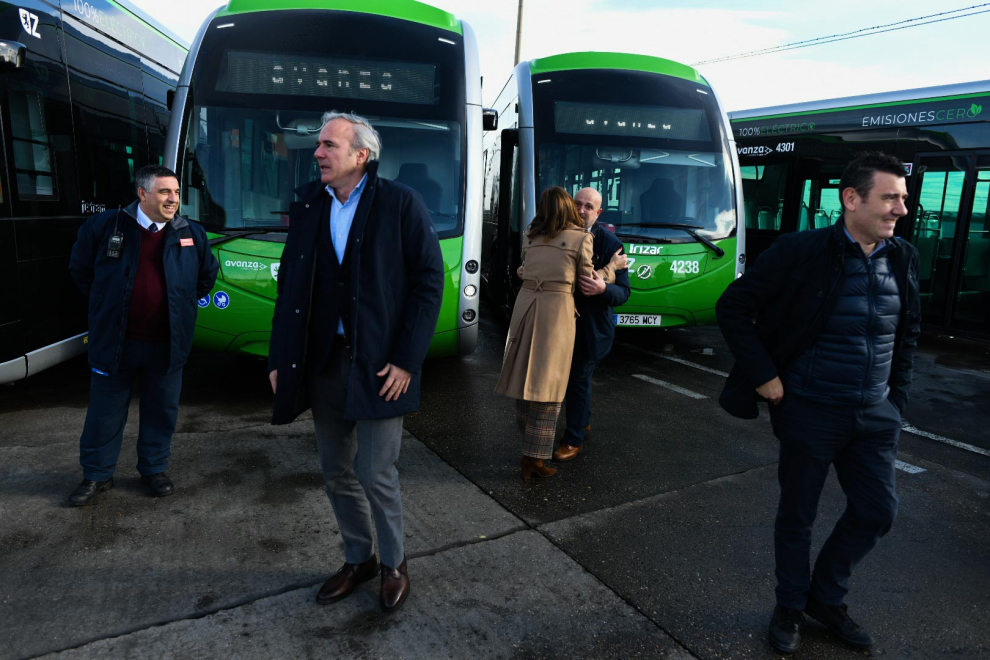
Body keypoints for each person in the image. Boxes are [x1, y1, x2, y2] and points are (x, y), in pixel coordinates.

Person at [715, 152, 921, 654]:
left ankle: (823, 599)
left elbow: (907, 330)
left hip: (874, 414)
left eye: (904, 198)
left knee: (877, 511)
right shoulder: (800, 251)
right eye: (890, 197)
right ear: (851, 199)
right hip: (811, 409)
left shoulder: (903, 256)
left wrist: (895, 401)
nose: (902, 208)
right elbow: (734, 307)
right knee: (799, 515)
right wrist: (765, 377)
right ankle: (789, 604)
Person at [267, 111, 443, 613]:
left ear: (361, 156)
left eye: (329, 146)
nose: (318, 153)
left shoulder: (399, 202)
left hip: (381, 365)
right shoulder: (307, 204)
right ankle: (358, 557)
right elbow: (291, 289)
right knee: (334, 469)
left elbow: (430, 284)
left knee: (375, 471)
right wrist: (282, 357)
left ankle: (394, 564)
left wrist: (407, 361)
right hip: (323, 363)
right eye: (319, 145)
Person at [67, 165, 219, 506]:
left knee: (161, 410)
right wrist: (107, 304)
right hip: (115, 343)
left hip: (167, 344)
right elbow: (80, 269)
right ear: (143, 194)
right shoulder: (105, 226)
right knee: (104, 412)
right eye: (165, 192)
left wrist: (179, 305)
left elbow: (206, 276)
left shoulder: (190, 232)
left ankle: (153, 470)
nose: (174, 199)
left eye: (177, 193)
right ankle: (96, 475)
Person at [495, 187, 594, 479]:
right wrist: (612, 269)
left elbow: (525, 269)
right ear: (568, 208)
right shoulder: (581, 238)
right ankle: (534, 459)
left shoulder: (530, 236)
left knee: (525, 382)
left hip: (525, 308)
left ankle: (529, 455)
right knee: (549, 388)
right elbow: (588, 281)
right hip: (555, 314)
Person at [553, 187, 630, 462]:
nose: (582, 210)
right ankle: (582, 422)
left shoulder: (610, 244)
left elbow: (624, 293)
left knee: (577, 380)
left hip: (590, 328)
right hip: (559, 323)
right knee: (574, 382)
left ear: (598, 213)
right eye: (578, 204)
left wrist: (603, 290)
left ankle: (574, 439)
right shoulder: (557, 235)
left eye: (589, 207)